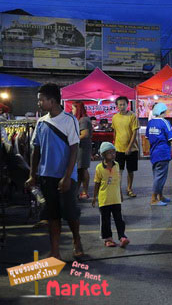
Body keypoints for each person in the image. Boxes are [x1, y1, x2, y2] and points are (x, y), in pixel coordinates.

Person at [25, 83, 84, 259]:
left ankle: (76, 239)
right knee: (52, 215)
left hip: (66, 176)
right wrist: (32, 175)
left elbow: (74, 149)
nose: (39, 104)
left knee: (70, 212)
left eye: (41, 100)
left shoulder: (69, 120)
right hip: (46, 175)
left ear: (52, 100)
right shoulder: (41, 122)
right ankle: (55, 250)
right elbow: (36, 150)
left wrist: (67, 177)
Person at [92, 142, 130, 248]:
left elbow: (118, 181)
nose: (113, 154)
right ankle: (108, 238)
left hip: (116, 198)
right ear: (103, 155)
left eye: (114, 152)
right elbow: (97, 183)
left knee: (119, 219)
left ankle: (122, 236)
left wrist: (120, 194)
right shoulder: (99, 168)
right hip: (104, 199)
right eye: (109, 153)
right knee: (105, 220)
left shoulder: (116, 165)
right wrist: (94, 197)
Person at [146, 103, 172, 206]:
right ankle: (154, 199)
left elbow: (148, 137)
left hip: (154, 152)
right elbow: (171, 138)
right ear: (163, 111)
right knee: (160, 177)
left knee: (157, 176)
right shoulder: (165, 122)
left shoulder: (150, 123)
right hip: (163, 153)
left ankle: (160, 196)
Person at [112, 96, 139, 198]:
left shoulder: (132, 116)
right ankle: (118, 191)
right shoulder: (115, 117)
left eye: (124, 104)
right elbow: (115, 132)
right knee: (119, 171)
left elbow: (134, 133)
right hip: (119, 149)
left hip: (131, 149)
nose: (122, 106)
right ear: (117, 106)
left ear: (127, 105)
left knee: (130, 171)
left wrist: (129, 147)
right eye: (120, 104)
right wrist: (114, 146)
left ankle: (129, 188)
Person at [72, 101, 92, 200]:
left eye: (73, 108)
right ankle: (78, 191)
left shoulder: (84, 120)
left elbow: (85, 134)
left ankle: (85, 191)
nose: (72, 111)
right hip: (80, 147)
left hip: (83, 148)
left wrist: (72, 139)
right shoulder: (80, 119)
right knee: (80, 170)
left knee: (83, 169)